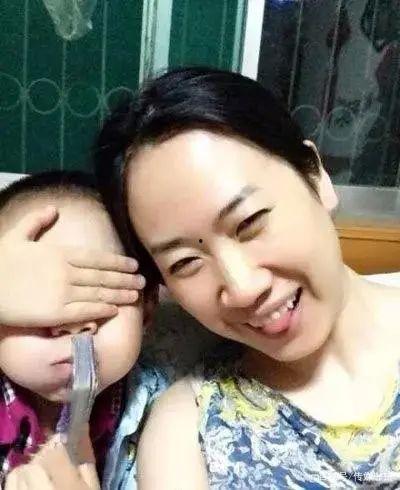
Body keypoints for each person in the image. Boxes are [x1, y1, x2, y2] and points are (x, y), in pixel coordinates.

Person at [94, 67, 400, 489]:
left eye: (250, 222)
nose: (243, 288)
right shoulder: (186, 434)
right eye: (185, 263)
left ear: (315, 176)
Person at [0, 171, 166, 489]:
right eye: (35, 297)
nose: (75, 323)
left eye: (102, 291)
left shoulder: (163, 415)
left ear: (147, 307)